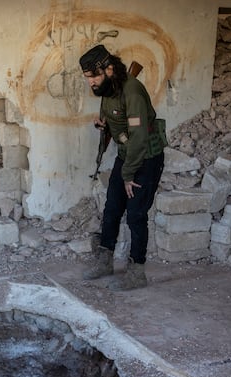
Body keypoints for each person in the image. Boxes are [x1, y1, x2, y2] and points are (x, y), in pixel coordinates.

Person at [79, 44, 166, 290]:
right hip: (127, 155)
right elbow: (119, 120)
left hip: (146, 158)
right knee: (112, 208)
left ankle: (137, 272)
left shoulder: (133, 91)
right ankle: (105, 261)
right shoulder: (109, 88)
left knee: (136, 215)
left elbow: (138, 138)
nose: (91, 83)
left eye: (93, 76)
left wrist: (128, 175)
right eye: (88, 78)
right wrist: (104, 125)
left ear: (109, 69)